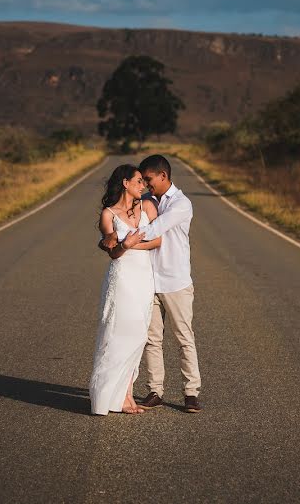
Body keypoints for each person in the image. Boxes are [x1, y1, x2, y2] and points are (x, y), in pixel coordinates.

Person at [100, 155, 202, 413]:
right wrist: (111, 239)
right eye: (141, 180)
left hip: (175, 280)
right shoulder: (145, 202)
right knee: (152, 339)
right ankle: (155, 390)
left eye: (148, 179)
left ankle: (191, 392)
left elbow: (156, 230)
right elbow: (120, 219)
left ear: (163, 176)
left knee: (183, 337)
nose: (145, 184)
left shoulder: (181, 204)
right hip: (148, 280)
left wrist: (123, 242)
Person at [89, 164, 161, 415]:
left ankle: (127, 396)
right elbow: (113, 252)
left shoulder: (147, 207)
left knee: (138, 337)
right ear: (125, 183)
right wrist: (124, 244)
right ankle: (110, 397)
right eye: (139, 181)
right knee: (119, 335)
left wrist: (130, 244)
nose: (144, 185)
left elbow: (158, 240)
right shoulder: (108, 215)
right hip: (122, 279)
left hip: (144, 278)